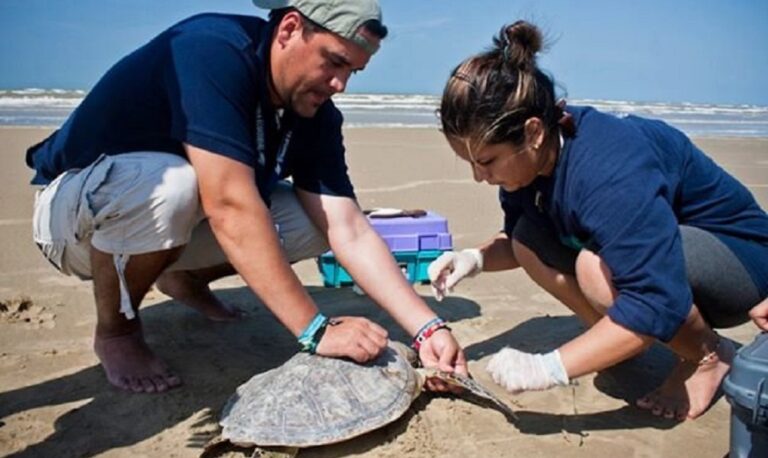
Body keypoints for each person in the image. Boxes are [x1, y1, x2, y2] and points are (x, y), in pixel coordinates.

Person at [27, 0, 467, 394]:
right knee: (175, 185)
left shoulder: (313, 111)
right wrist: (316, 330)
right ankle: (117, 331)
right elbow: (229, 207)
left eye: (353, 71)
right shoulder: (211, 52)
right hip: (74, 221)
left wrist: (428, 328)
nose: (340, 85)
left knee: (316, 221)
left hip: (164, 226)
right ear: (290, 28)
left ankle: (183, 276)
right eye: (334, 62)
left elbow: (348, 228)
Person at [428, 20, 768, 421]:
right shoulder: (530, 164)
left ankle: (708, 355)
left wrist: (550, 367)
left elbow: (656, 297)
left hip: (740, 259)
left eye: (487, 161)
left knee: (594, 267)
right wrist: (475, 258)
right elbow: (517, 240)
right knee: (526, 238)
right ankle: (620, 341)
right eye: (470, 162)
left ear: (533, 132)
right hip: (667, 250)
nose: (478, 176)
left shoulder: (609, 168)